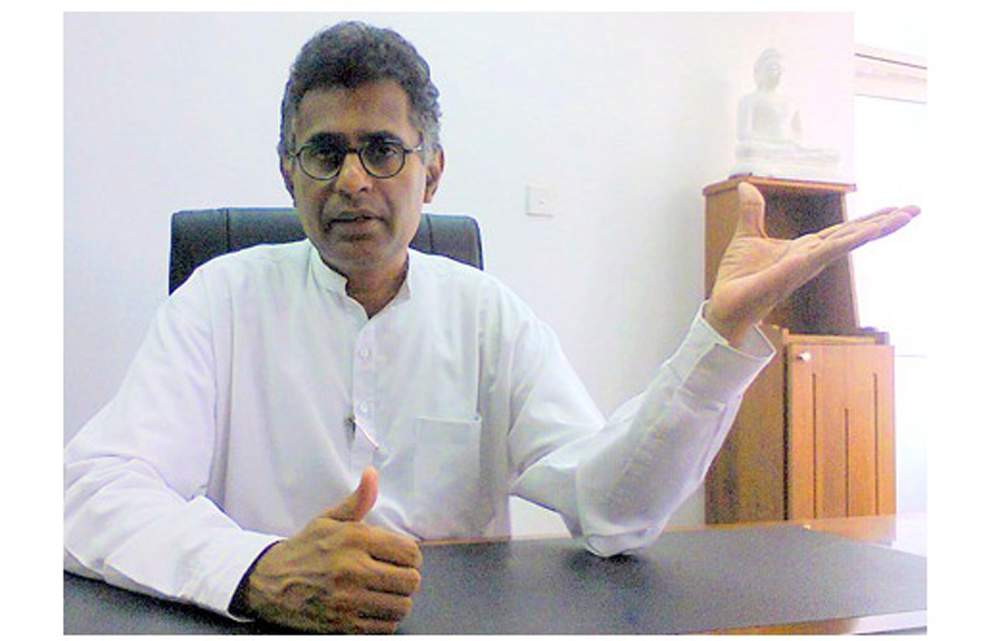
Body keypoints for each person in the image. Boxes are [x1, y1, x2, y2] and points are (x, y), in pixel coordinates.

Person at [63, 22, 919, 634]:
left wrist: (718, 336)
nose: (353, 180)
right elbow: (91, 490)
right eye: (324, 153)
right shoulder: (219, 299)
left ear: (431, 173)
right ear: (289, 174)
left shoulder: (487, 314)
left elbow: (612, 508)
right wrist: (254, 569)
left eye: (383, 150)